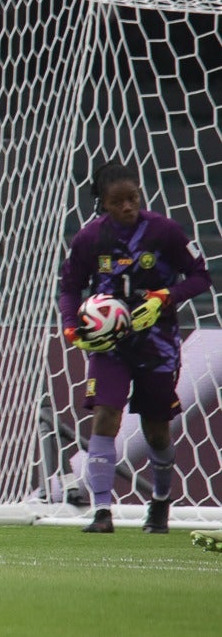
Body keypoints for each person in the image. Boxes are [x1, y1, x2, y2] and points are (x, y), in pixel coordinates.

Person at [59, 161, 212, 534]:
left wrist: (166, 296)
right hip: (110, 344)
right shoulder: (89, 238)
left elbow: (200, 276)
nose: (128, 206)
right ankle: (101, 512)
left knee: (157, 430)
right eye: (118, 201)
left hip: (157, 343)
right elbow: (69, 288)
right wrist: (69, 325)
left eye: (133, 198)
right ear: (103, 203)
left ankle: (160, 503)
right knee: (105, 416)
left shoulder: (164, 232)